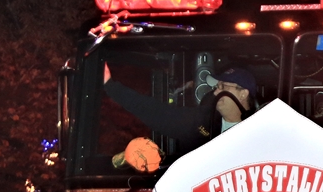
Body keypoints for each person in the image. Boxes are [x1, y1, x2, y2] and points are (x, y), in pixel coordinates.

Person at [103, 63, 257, 153]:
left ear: (243, 94)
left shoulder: (262, 130)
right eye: (217, 86)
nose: (216, 91)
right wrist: (111, 86)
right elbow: (156, 112)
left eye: (223, 86)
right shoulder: (201, 121)